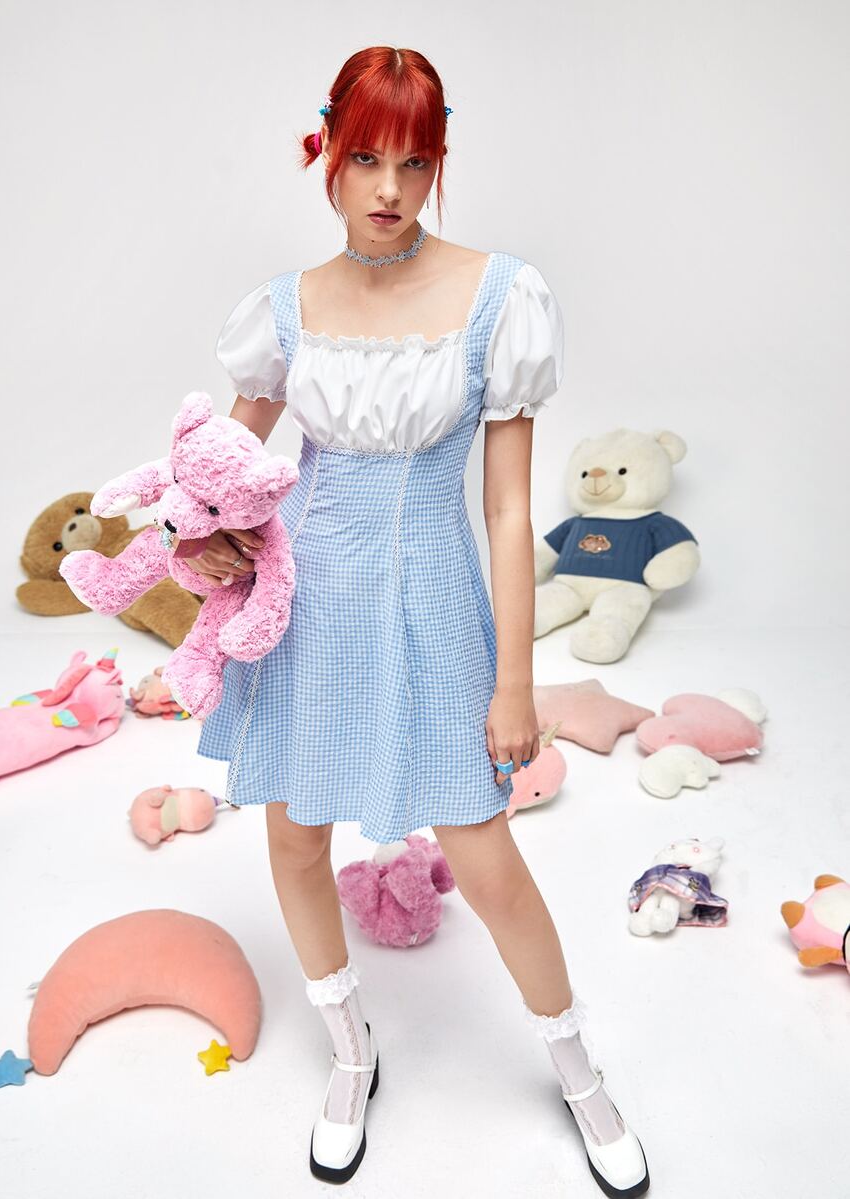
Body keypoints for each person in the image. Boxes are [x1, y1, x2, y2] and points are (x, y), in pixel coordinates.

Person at [181, 45, 649, 1196]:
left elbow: (507, 507)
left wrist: (513, 681)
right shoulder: (285, 309)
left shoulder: (498, 295)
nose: (390, 189)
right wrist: (205, 536)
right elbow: (221, 473)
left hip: (435, 607)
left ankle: (580, 1071)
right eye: (365, 160)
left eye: (415, 162)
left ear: (439, 163)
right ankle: (351, 1050)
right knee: (295, 839)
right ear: (327, 159)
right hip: (306, 611)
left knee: (486, 858)